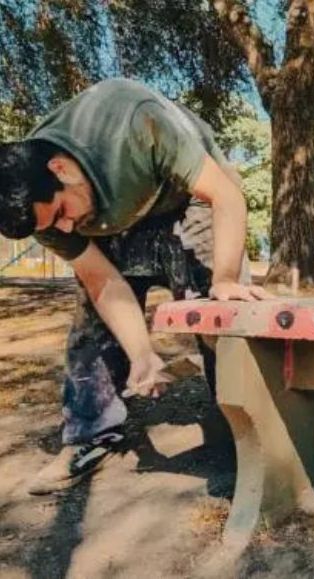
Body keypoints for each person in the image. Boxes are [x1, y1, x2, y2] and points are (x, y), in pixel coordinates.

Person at [0, 78, 269, 494]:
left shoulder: (137, 123)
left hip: (189, 199)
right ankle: (91, 435)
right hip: (114, 219)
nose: (65, 228)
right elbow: (102, 280)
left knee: (221, 314)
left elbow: (226, 195)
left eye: (62, 212)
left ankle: (256, 423)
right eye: (52, 225)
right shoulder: (34, 201)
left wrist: (226, 279)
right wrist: (142, 354)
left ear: (61, 168)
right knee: (91, 323)